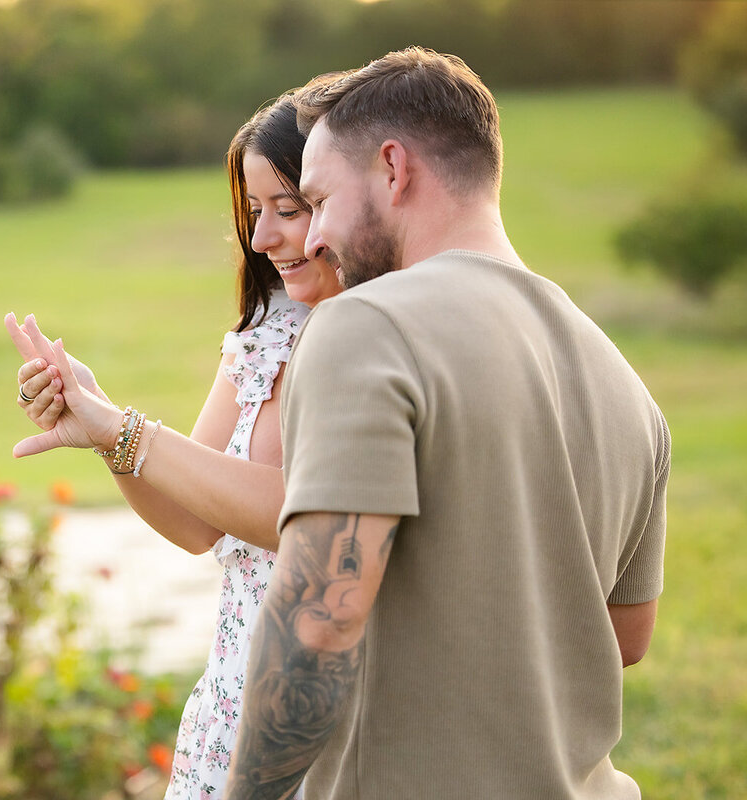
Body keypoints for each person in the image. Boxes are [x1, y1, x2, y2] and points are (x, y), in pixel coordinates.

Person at [224, 47, 670, 800]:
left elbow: (317, 622)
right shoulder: (625, 384)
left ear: (394, 169)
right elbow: (623, 641)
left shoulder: (365, 328)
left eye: (321, 201)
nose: (314, 238)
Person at [4, 92, 342, 798]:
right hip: (236, 697)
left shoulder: (377, 341)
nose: (262, 238)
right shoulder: (262, 338)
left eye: (289, 208)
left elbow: (303, 514)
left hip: (336, 712)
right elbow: (196, 523)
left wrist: (122, 429)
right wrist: (97, 427)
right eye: (254, 213)